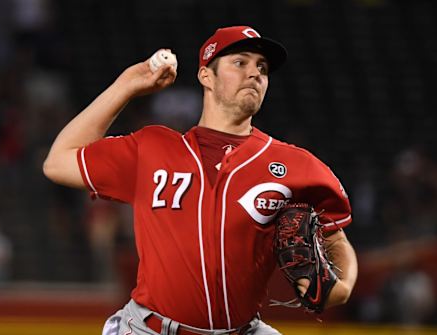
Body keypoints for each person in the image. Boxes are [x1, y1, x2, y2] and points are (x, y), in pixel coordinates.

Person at [43, 25, 358, 335]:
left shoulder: (295, 164)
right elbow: (58, 162)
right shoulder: (151, 149)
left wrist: (341, 288)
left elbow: (335, 236)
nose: (255, 73)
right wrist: (127, 85)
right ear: (206, 75)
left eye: (262, 67)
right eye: (240, 62)